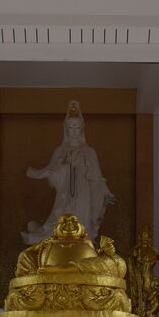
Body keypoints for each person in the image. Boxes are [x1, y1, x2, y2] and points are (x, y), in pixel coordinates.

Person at [21, 101, 115, 244]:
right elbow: (52, 171)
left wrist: (106, 192)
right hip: (65, 190)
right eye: (71, 127)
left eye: (77, 127)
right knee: (61, 213)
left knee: (82, 216)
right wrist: (62, 165)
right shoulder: (60, 150)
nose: (74, 130)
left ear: (81, 129)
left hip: (83, 189)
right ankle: (48, 239)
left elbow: (97, 176)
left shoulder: (89, 152)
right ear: (66, 129)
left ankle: (82, 244)